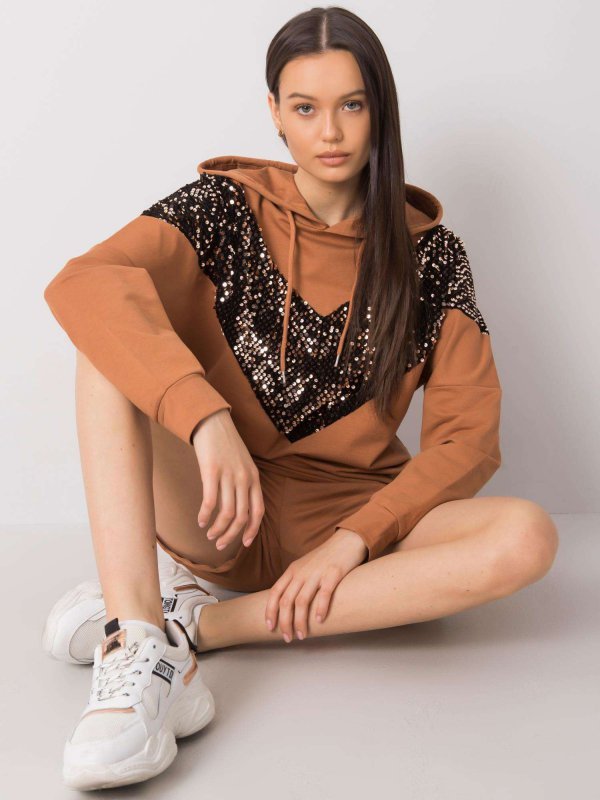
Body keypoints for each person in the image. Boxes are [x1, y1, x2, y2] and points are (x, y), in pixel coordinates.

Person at [42, 5, 559, 791]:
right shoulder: (222, 210)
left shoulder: (433, 259)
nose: (331, 131)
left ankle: (198, 627)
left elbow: (468, 440)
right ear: (275, 114)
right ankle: (137, 636)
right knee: (105, 340)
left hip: (350, 521)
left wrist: (354, 539)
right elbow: (85, 281)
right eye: (306, 107)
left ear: (380, 110)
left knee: (527, 537)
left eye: (352, 104)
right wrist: (206, 420)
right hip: (220, 508)